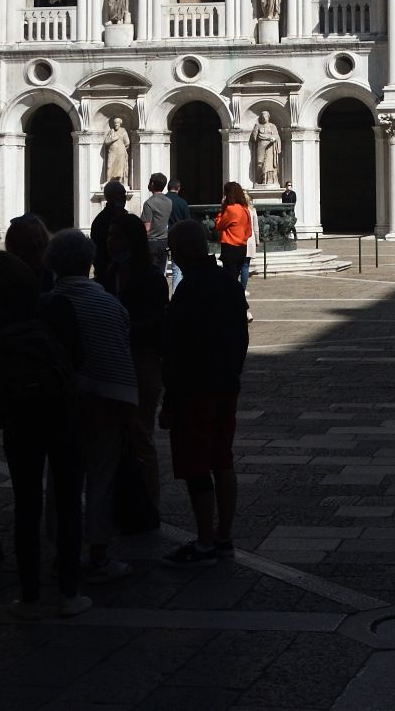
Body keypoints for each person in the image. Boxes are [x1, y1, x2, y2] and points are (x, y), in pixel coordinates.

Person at [0, 217, 89, 620]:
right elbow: (77, 357)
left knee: (26, 502)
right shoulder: (56, 299)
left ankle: (28, 593)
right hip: (60, 412)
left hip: (18, 414)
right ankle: (68, 591)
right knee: (66, 501)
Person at [159, 219, 249, 566]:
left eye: (173, 249)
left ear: (180, 251)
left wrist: (169, 401)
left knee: (197, 465)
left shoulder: (189, 289)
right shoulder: (228, 284)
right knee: (222, 459)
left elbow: (176, 349)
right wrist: (233, 374)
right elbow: (241, 337)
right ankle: (224, 535)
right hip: (226, 384)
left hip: (195, 390)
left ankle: (205, 540)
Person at [48, 228, 136, 585]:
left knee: (58, 481)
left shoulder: (45, 302)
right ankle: (98, 554)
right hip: (104, 402)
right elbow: (121, 356)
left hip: (59, 405)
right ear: (89, 263)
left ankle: (60, 554)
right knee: (101, 480)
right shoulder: (108, 303)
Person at [99, 210, 166, 532]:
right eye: (110, 237)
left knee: (141, 435)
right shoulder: (108, 272)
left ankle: (149, 506)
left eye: (118, 237)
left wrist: (120, 328)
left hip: (140, 362)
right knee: (113, 437)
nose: (112, 243)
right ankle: (123, 502)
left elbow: (156, 323)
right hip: (113, 361)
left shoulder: (150, 277)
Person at [215, 181, 253, 296]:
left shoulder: (231, 209)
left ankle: (239, 305)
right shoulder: (245, 209)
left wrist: (222, 210)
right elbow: (249, 232)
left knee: (230, 281)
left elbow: (219, 225)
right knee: (235, 276)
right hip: (242, 247)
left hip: (230, 247)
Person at [90, 179, 129, 269]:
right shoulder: (101, 221)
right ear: (110, 196)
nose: (124, 198)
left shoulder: (127, 217)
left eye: (124, 194)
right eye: (120, 194)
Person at [141, 174, 175, 267]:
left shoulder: (149, 203)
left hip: (151, 242)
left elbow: (146, 228)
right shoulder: (169, 201)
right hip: (164, 241)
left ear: (152, 184)